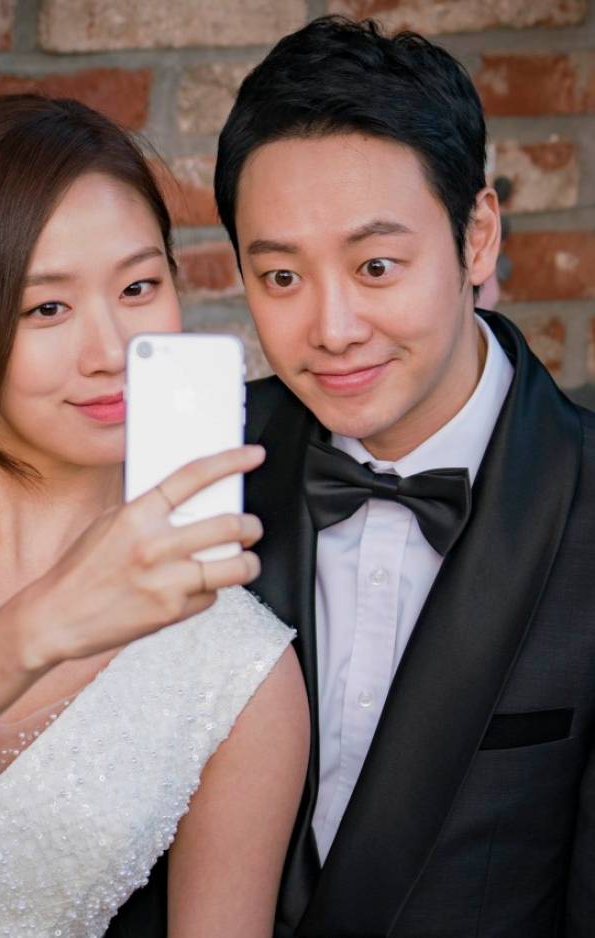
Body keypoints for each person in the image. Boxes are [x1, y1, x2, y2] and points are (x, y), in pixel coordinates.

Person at [0, 94, 309, 938]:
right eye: (46, 308)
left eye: (138, 287)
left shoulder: (239, 667)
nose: (109, 352)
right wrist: (45, 623)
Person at [211, 15, 595, 938]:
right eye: (282, 278)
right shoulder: (202, 465)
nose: (333, 329)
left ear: (477, 238)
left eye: (376, 266)